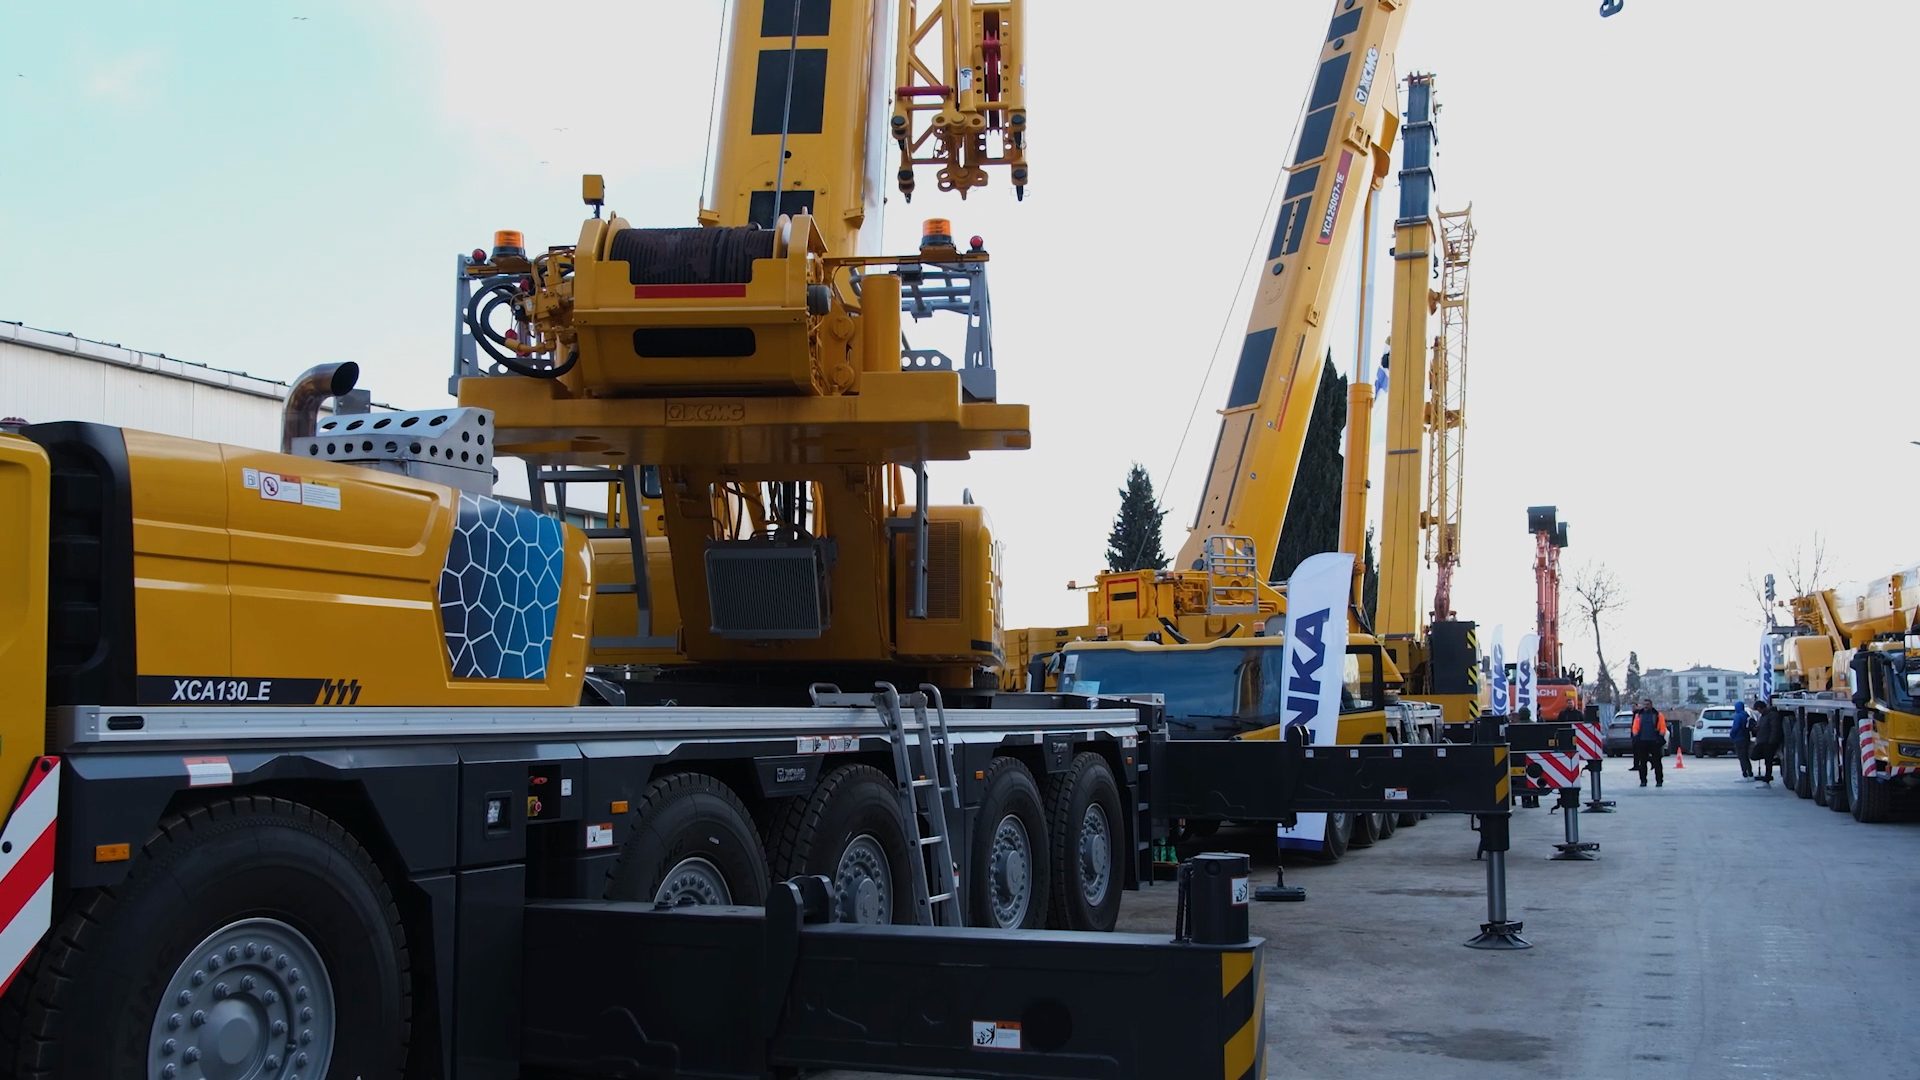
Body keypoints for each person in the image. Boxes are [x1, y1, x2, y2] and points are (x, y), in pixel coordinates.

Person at [1631, 698, 1667, 787]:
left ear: (1651, 705)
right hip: (1642, 742)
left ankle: (1659, 781)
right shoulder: (1639, 715)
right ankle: (1643, 781)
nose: (1646, 706)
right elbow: (1635, 727)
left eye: (1647, 704)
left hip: (1654, 742)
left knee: (1657, 762)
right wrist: (1636, 737)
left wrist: (1660, 738)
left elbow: (1662, 728)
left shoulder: (1658, 715)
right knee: (1642, 763)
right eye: (1644, 704)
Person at [1730, 697, 1753, 778]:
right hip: (1746, 738)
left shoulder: (1738, 716)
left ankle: (1745, 772)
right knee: (1746, 756)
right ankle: (1750, 771)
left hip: (1739, 739)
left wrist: (1732, 735)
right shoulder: (1746, 715)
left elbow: (1735, 727)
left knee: (1741, 756)